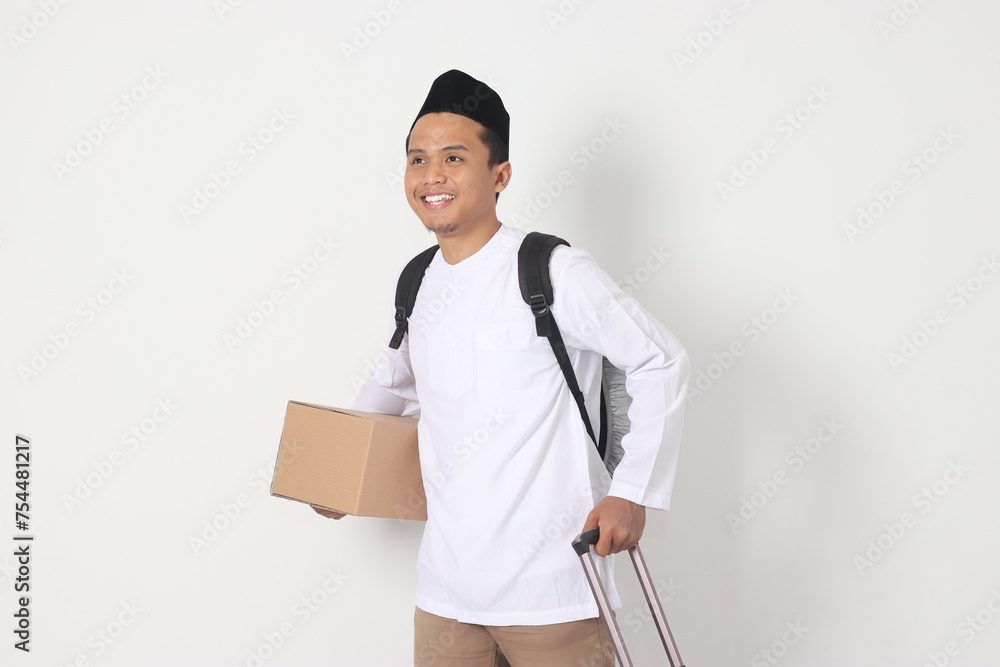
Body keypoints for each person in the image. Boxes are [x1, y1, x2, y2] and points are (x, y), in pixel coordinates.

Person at [313, 69, 689, 667]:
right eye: (417, 159)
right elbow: (396, 383)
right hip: (446, 591)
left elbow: (660, 359)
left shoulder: (552, 270)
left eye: (454, 158)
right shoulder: (418, 280)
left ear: (500, 175)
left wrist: (631, 493)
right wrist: (337, 470)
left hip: (553, 591)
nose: (431, 176)